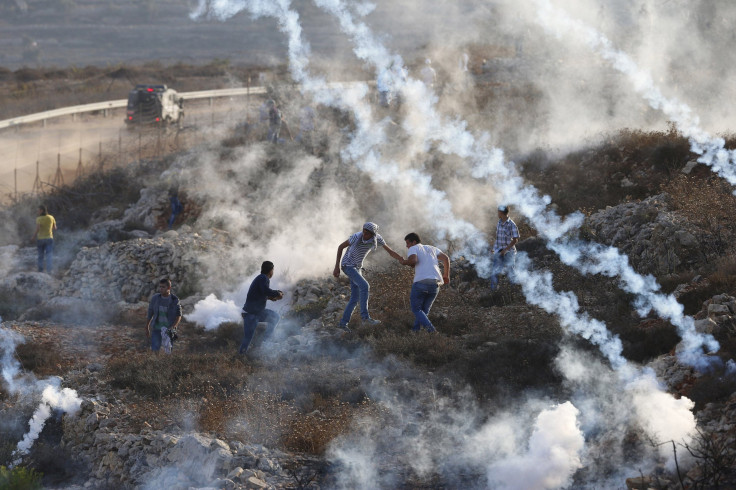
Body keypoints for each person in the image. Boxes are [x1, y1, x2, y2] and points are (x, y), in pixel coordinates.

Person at [333, 222, 403, 331]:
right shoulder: (356, 237)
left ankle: (343, 324)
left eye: (367, 233)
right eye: (364, 232)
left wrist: (401, 259)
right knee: (365, 286)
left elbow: (390, 251)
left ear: (373, 234)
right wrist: (336, 267)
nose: (364, 235)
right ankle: (365, 319)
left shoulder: (377, 239)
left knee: (355, 299)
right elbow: (340, 247)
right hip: (347, 265)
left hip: (357, 267)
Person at [399, 233, 450, 333]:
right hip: (435, 284)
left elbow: (413, 260)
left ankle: (432, 331)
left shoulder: (414, 248)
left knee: (416, 309)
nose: (407, 246)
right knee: (424, 311)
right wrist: (446, 275)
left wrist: (403, 262)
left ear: (414, 242)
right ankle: (415, 331)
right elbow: (446, 258)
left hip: (421, 282)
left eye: (408, 243)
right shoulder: (432, 248)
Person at [239, 261, 284, 355]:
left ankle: (264, 343)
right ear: (271, 270)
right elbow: (265, 290)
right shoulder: (263, 278)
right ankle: (241, 356)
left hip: (257, 312)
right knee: (248, 337)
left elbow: (260, 293)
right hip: (251, 314)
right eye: (273, 270)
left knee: (274, 317)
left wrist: (270, 298)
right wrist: (277, 293)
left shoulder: (261, 278)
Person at [146, 278, 182, 355]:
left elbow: (179, 315)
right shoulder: (155, 298)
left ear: (169, 288)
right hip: (156, 328)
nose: (161, 289)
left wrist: (173, 326)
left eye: (163, 287)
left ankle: (167, 366)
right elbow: (150, 312)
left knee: (168, 350)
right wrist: (147, 327)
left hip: (168, 330)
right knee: (155, 349)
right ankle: (156, 365)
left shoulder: (174, 300)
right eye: (160, 287)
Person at [490, 205, 520, 291]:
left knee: (510, 271)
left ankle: (514, 292)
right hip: (498, 251)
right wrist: (494, 248)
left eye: (498, 212)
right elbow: (498, 238)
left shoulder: (511, 224)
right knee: (494, 272)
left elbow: (515, 240)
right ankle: (493, 292)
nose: (497, 213)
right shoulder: (499, 223)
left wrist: (505, 250)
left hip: (509, 252)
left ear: (501, 212)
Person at [31, 205, 57, 273]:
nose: (37, 211)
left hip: (40, 239)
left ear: (42, 210)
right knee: (49, 255)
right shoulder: (51, 217)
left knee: (40, 256)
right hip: (49, 238)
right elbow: (55, 228)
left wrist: (33, 237)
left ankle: (40, 271)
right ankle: (49, 271)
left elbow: (38, 228)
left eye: (38, 210)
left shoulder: (39, 218)